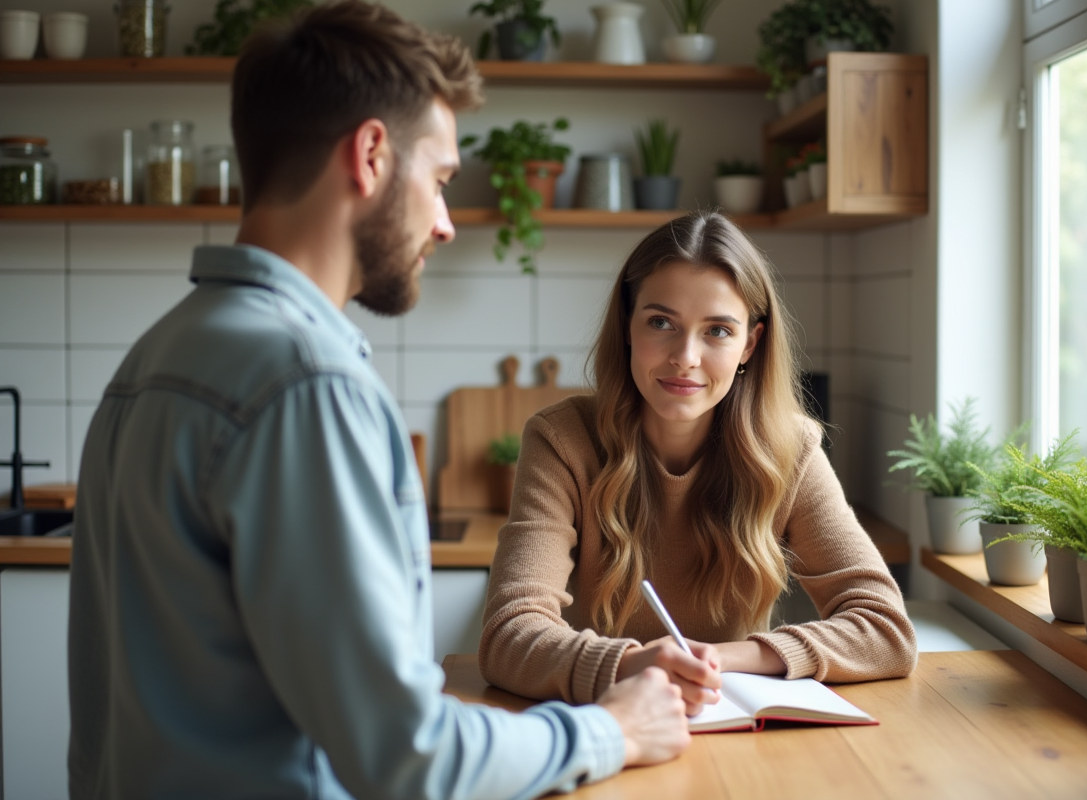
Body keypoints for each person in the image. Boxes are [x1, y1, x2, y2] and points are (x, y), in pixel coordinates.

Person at [66, 3, 690, 798]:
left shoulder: (156, 355)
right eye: (437, 181)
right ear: (369, 155)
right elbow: (406, 756)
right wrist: (614, 728)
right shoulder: (305, 385)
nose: (446, 224)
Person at [479, 211, 918, 715]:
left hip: (731, 727)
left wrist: (723, 658)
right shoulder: (562, 440)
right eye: (661, 323)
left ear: (749, 344)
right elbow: (508, 635)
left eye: (717, 331)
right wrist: (631, 666)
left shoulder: (790, 449)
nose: (686, 357)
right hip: (607, 727)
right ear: (627, 325)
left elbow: (887, 630)